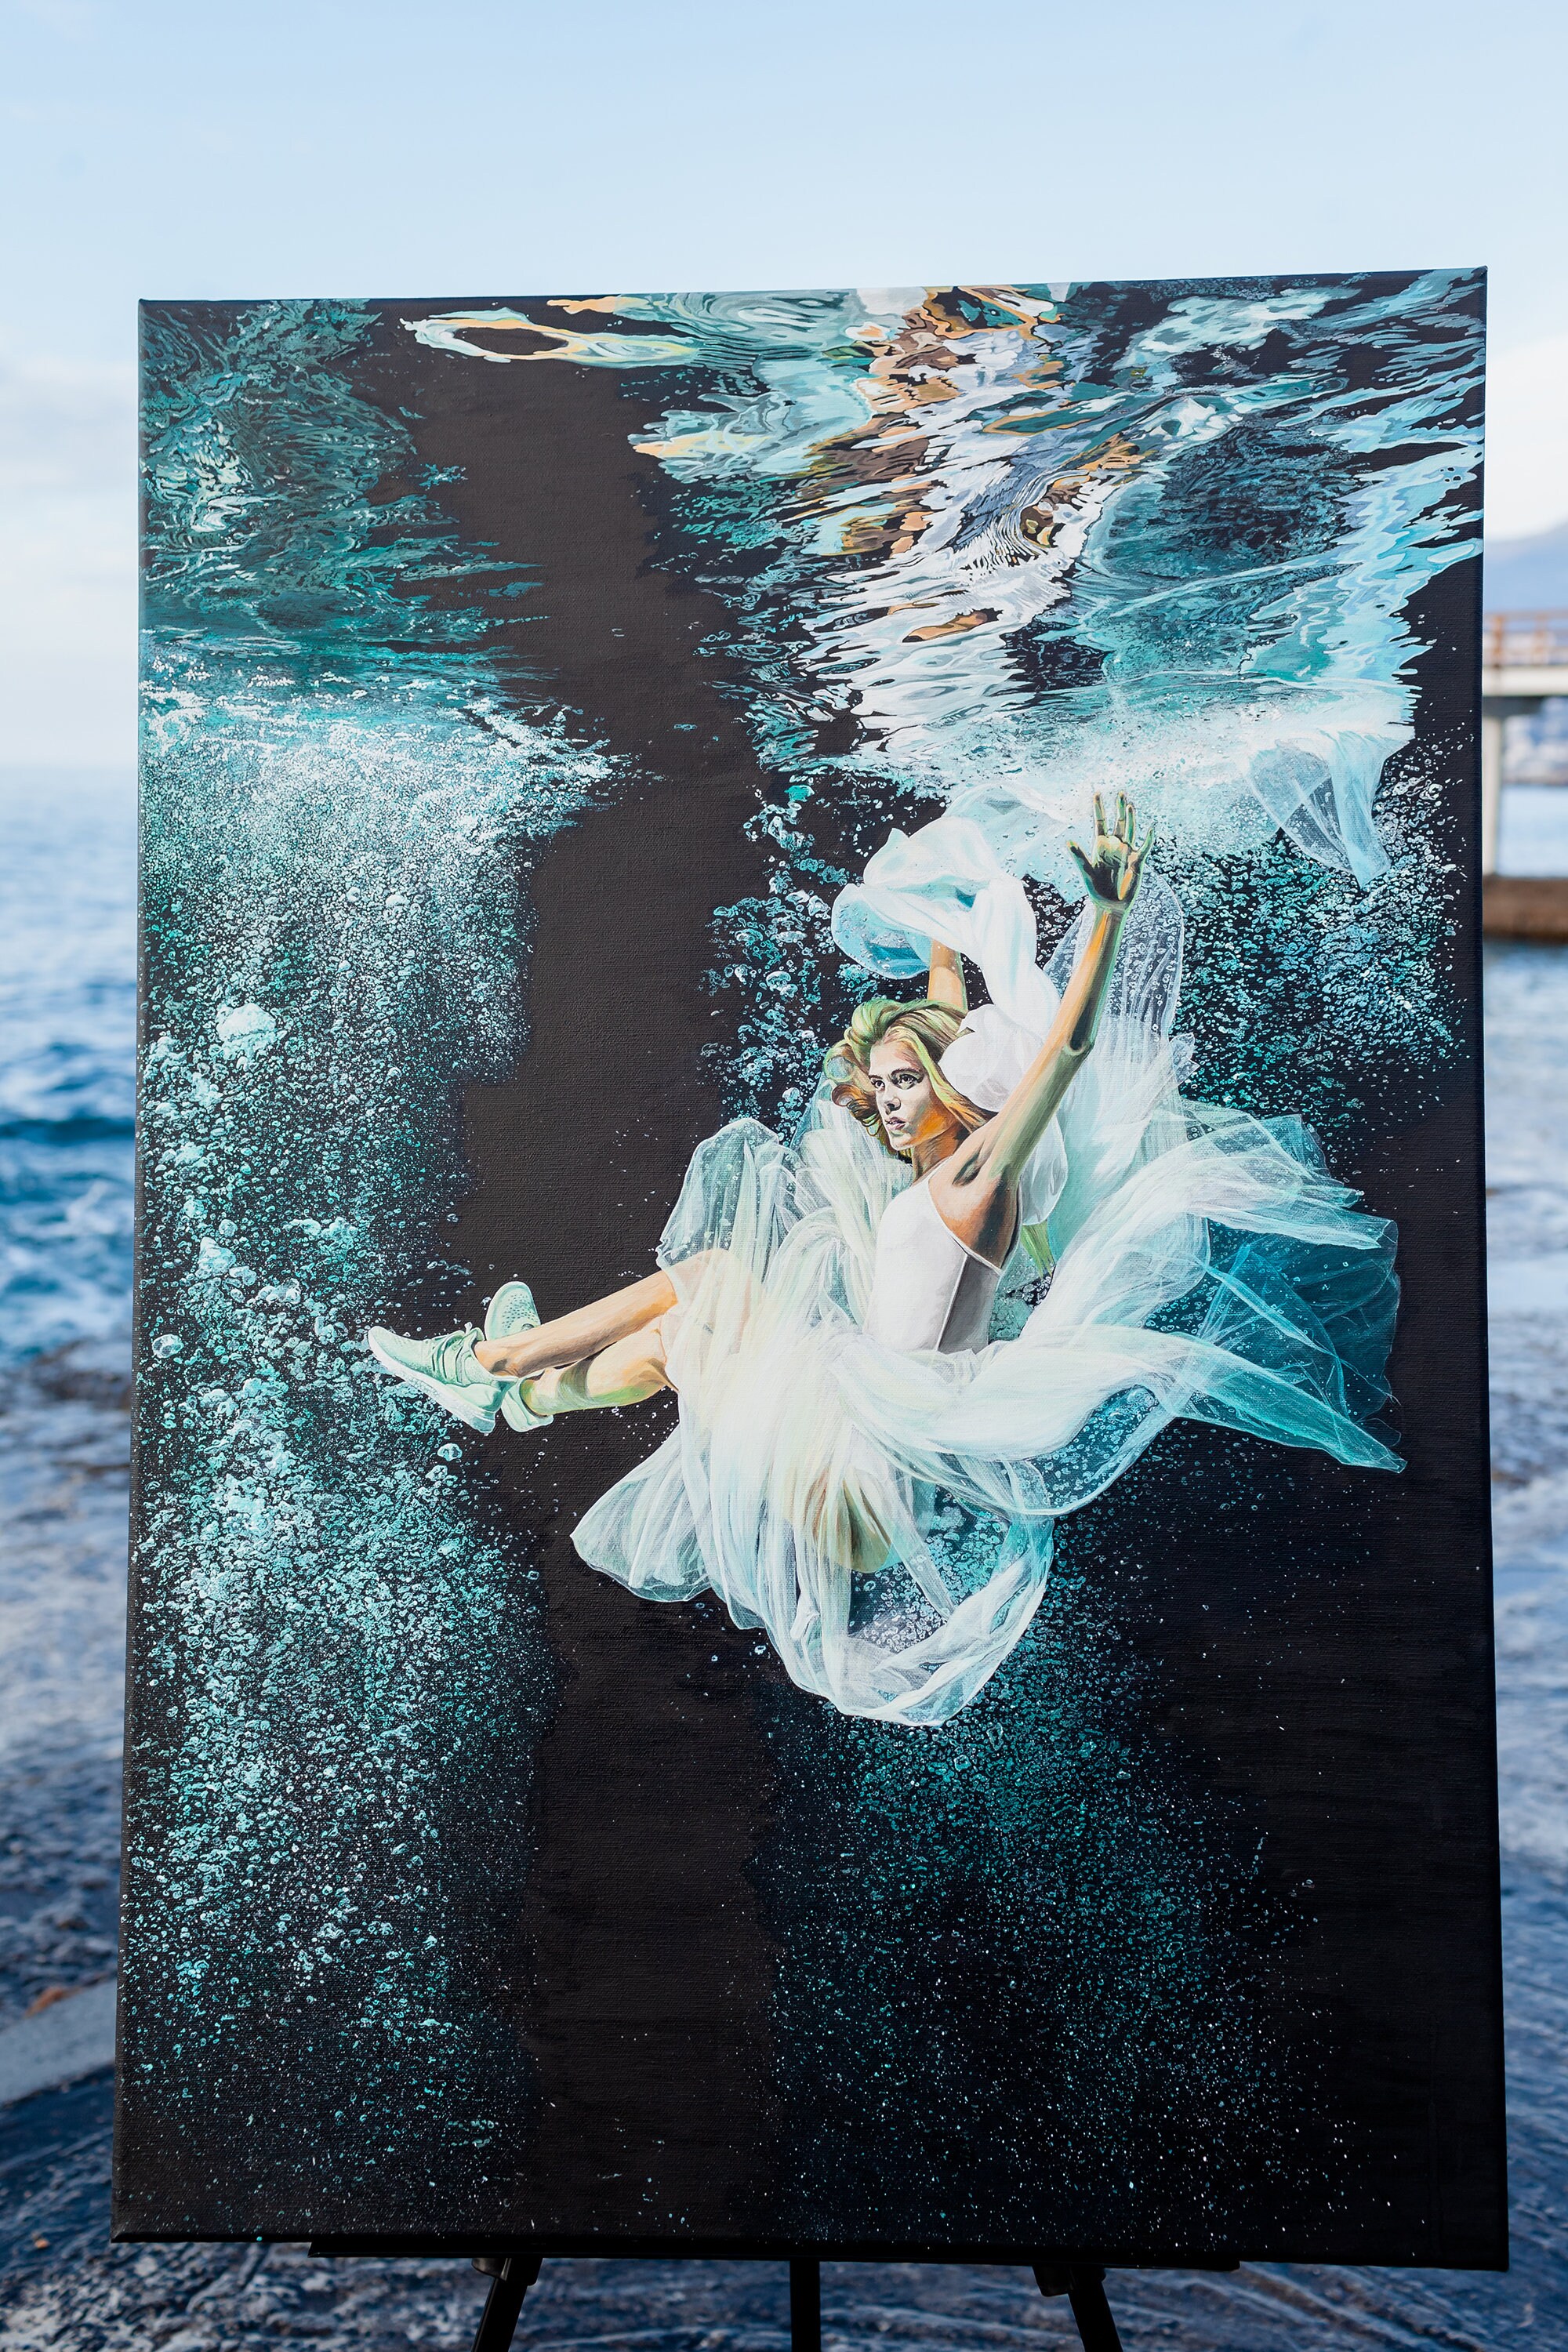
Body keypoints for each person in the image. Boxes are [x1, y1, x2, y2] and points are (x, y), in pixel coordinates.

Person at [368, 797, 1400, 1724]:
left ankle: (484, 1362)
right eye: (885, 1085)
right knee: (677, 1339)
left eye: (909, 1084)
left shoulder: (982, 1181)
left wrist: (1106, 917)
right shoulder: (930, 1183)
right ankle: (520, 1398)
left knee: (718, 1282)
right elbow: (940, 1013)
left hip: (867, 1475)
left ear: (959, 1095)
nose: (888, 1100)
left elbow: (1066, 1051)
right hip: (863, 1475)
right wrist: (944, 913)